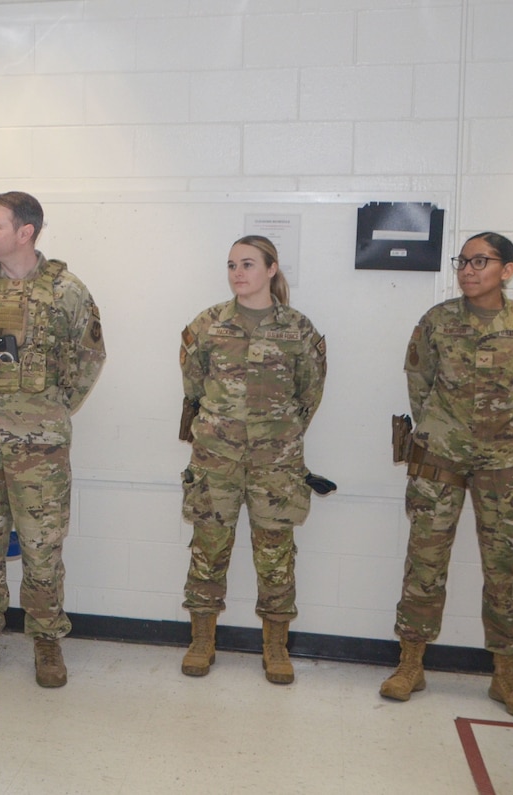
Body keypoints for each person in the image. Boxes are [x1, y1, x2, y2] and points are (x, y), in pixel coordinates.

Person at [0, 191, 106, 688]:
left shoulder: (68, 291)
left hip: (41, 448)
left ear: (25, 233)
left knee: (42, 547)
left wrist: (49, 410)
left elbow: (90, 358)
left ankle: (47, 643)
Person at [381, 232, 513, 716]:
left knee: (506, 569)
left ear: (508, 269)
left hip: (505, 464)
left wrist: (505, 435)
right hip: (440, 457)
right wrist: (441, 431)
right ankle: (410, 664)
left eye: (481, 261)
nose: (468, 269)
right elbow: (419, 382)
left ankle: (507, 677)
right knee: (425, 563)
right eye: (463, 261)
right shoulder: (437, 322)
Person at [178, 235, 326, 684]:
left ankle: (275, 647)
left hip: (275, 465)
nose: (237, 273)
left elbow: (309, 394)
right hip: (215, 459)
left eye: (247, 264)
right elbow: (193, 385)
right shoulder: (207, 324)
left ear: (271, 269)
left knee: (276, 556)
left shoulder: (298, 329)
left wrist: (273, 436)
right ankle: (202, 641)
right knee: (207, 551)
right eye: (231, 265)